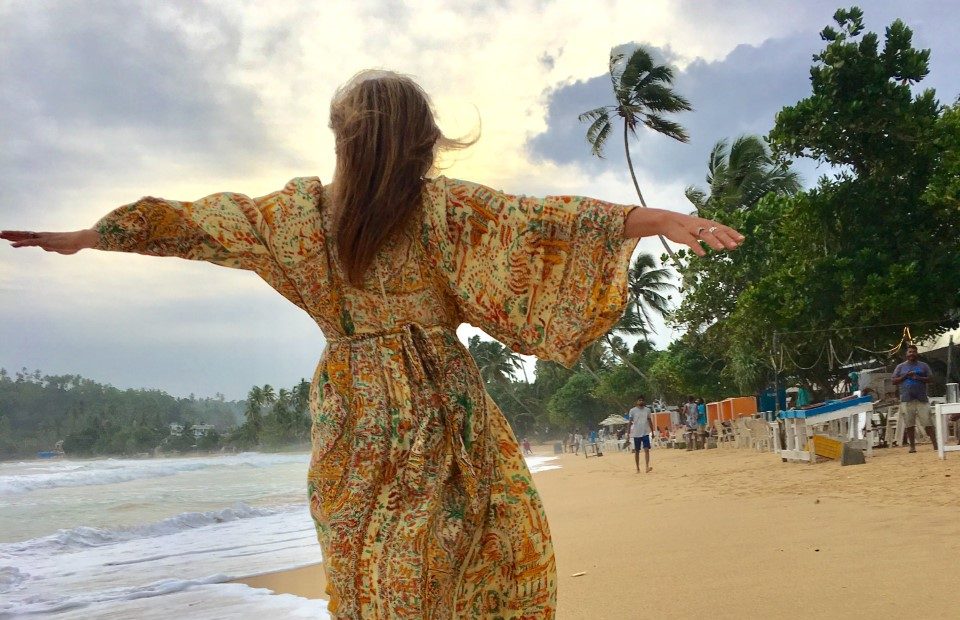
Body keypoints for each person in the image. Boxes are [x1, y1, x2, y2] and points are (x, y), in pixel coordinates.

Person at [1, 69, 742, 618]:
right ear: (422, 139)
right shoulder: (364, 215)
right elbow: (538, 223)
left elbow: (203, 224)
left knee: (401, 574)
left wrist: (94, 237)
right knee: (437, 565)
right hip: (424, 409)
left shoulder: (312, 219)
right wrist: (653, 221)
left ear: (344, 139)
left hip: (365, 419)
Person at [892, 344, 937, 453]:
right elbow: (893, 381)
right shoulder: (900, 367)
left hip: (922, 398)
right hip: (906, 399)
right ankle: (912, 447)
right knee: (909, 424)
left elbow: (931, 379)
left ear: (917, 353)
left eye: (914, 352)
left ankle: (935, 445)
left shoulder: (923, 366)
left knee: (927, 422)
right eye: (910, 352)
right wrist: (906, 376)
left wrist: (918, 377)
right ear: (906, 354)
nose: (912, 354)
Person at [627, 396, 654, 473]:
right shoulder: (632, 411)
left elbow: (650, 421)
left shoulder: (647, 410)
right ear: (636, 401)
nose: (641, 401)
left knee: (646, 449)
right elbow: (629, 422)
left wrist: (652, 432)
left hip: (645, 432)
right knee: (637, 451)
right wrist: (628, 434)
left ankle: (647, 467)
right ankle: (638, 468)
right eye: (639, 400)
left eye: (642, 400)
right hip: (636, 433)